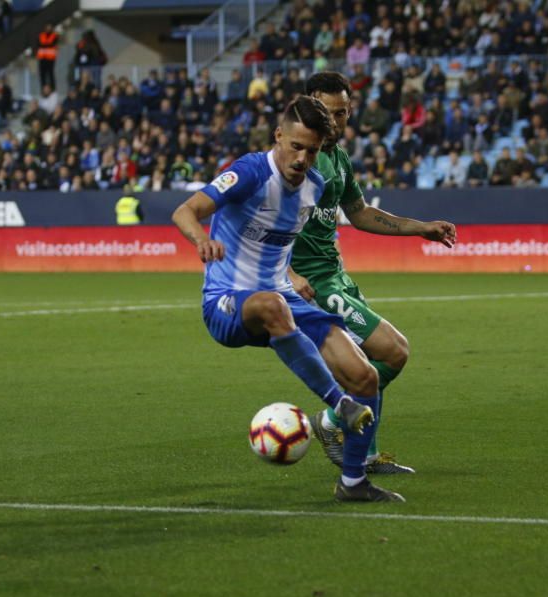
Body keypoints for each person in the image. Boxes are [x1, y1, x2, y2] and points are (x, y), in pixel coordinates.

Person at [171, 96, 405, 502]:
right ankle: (338, 404)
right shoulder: (249, 171)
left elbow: (281, 244)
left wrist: (292, 275)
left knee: (364, 373)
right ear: (278, 136)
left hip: (280, 296)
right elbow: (186, 211)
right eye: (295, 146)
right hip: (228, 301)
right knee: (272, 305)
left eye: (311, 151)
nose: (302, 158)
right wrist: (201, 240)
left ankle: (353, 482)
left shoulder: (315, 186)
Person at [291, 72, 456, 475]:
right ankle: (332, 420)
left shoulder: (340, 159)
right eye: (329, 113)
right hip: (314, 283)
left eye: (344, 113)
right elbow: (254, 223)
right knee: (394, 350)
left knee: (366, 364)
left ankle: (364, 458)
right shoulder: (293, 159)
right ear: (311, 106)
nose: (337, 122)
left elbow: (360, 214)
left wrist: (421, 228)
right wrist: (290, 273)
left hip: (337, 275)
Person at [36, 23, 58, 90]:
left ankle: (52, 88)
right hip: (42, 58)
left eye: (49, 27)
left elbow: (51, 44)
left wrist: (44, 44)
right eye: (47, 27)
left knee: (50, 73)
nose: (48, 29)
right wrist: (47, 44)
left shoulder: (55, 35)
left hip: (50, 58)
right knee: (42, 74)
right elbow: (39, 44)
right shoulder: (41, 35)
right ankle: (43, 88)